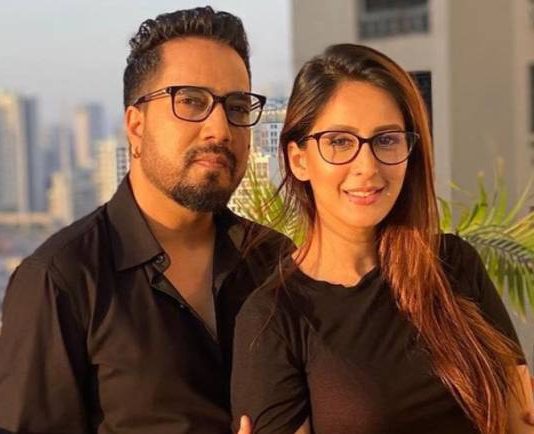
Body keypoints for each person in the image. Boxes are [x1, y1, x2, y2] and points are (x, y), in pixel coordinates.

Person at [0, 7, 289, 434]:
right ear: (136, 125)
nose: (220, 128)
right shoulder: (63, 280)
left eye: (236, 106)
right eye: (191, 101)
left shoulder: (277, 262)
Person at [231, 44, 534, 434]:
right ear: (299, 159)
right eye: (340, 141)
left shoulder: (455, 265)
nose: (367, 166)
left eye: (386, 140)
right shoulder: (273, 318)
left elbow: (520, 421)